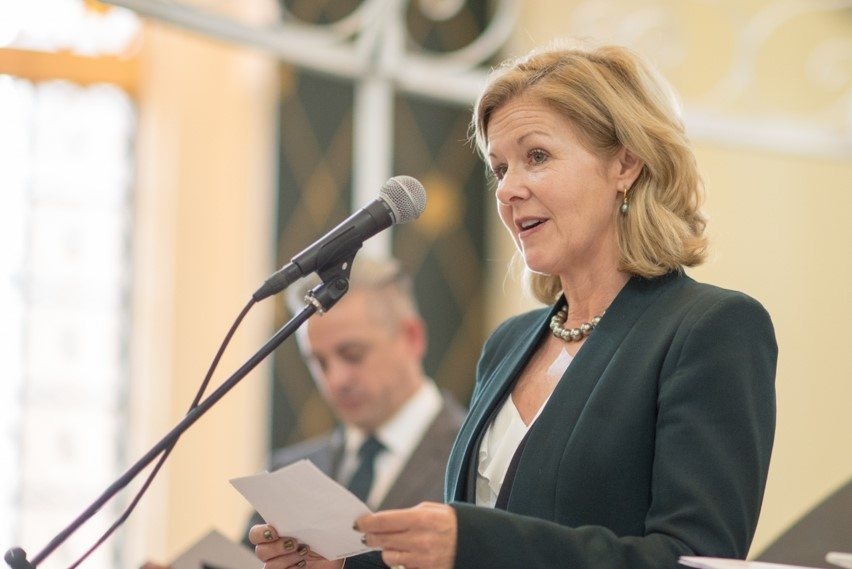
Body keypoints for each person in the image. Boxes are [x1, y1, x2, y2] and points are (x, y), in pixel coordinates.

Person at [249, 40, 777, 569]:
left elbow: (697, 558)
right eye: (500, 168)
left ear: (626, 163)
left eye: (537, 157)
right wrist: (344, 564)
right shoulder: (510, 344)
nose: (507, 190)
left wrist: (475, 541)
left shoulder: (711, 328)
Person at [143, 255, 465, 568]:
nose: (335, 379)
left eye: (352, 354)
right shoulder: (287, 471)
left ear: (412, 337)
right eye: (319, 362)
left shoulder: (477, 455)